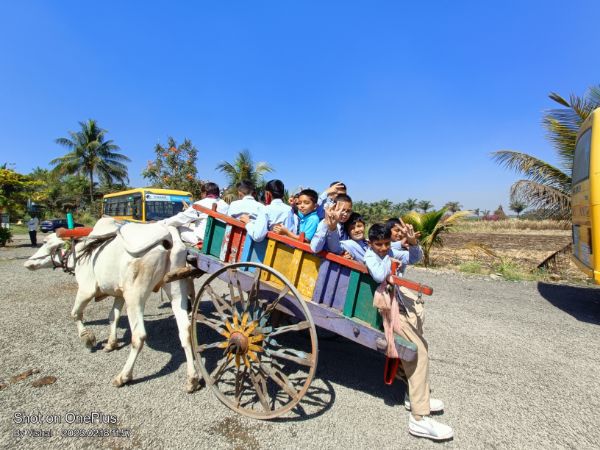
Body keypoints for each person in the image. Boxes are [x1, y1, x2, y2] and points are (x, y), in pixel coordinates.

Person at [364, 223, 453, 441]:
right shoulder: (371, 256)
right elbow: (379, 275)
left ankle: (414, 397)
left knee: (421, 344)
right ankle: (419, 418)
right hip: (388, 309)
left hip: (396, 303)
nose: (383, 248)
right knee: (418, 352)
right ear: (370, 243)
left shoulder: (387, 252)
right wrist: (391, 258)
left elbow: (413, 258)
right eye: (379, 244)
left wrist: (411, 244)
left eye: (386, 243)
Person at [161, 182, 229, 246]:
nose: (201, 196)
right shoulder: (226, 205)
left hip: (203, 240)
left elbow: (180, 219)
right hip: (221, 241)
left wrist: (161, 223)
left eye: (201, 193)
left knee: (176, 226)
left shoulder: (200, 204)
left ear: (205, 193)